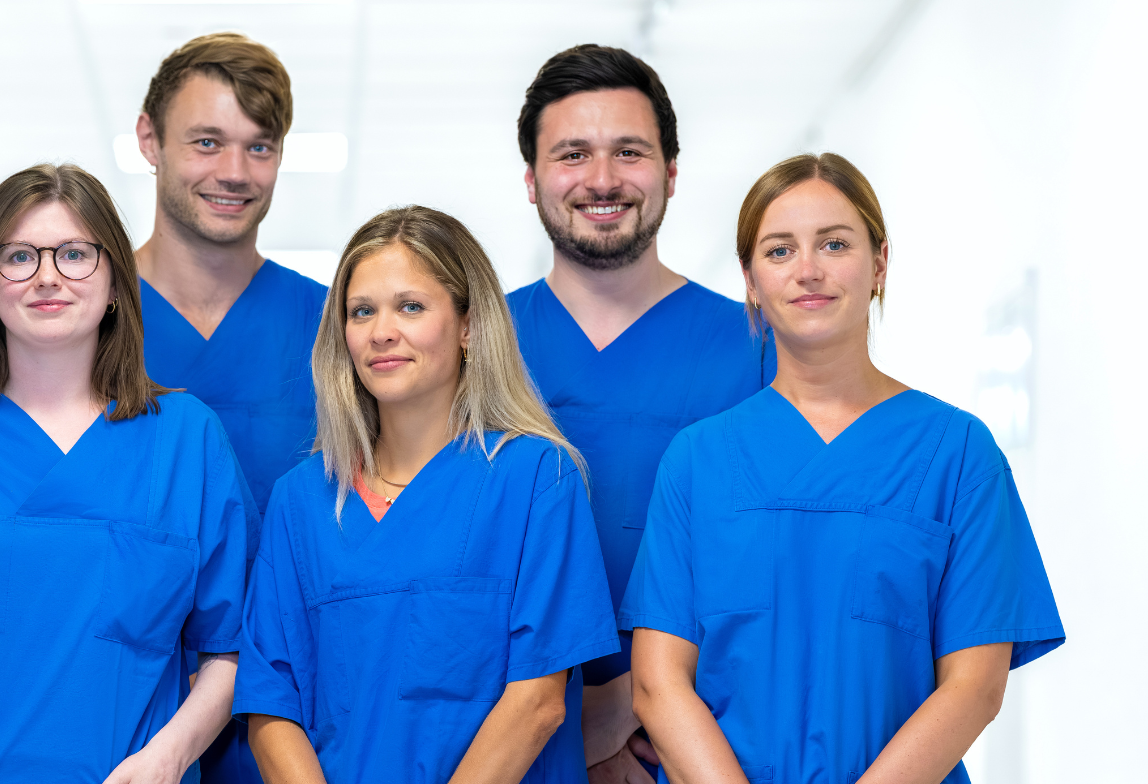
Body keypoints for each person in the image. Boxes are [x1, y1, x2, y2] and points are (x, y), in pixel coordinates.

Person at [622, 153, 1065, 783]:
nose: (808, 270)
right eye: (779, 251)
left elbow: (974, 685)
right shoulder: (696, 461)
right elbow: (659, 682)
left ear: (880, 263)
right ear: (750, 280)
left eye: (834, 244)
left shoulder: (958, 452)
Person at [0, 163, 252, 784]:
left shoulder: (187, 441)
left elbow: (229, 650)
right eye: (19, 256)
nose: (48, 276)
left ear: (116, 282)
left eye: (76, 254)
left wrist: (169, 758)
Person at [238, 206, 619, 784]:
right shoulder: (301, 500)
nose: (381, 332)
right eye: (362, 311)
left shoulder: (537, 477)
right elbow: (271, 703)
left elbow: (538, 702)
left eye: (410, 306)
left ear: (468, 326)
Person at [504, 44, 772, 783]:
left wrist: (634, 708)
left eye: (629, 152)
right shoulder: (474, 349)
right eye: (572, 154)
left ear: (671, 173)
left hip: (700, 747)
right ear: (531, 179)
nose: (602, 179)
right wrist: (570, 732)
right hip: (515, 746)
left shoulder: (755, 350)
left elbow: (778, 564)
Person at [132, 32, 328, 784]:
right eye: (207, 141)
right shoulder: (81, 320)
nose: (235, 173)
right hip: (129, 699)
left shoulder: (336, 331)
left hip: (298, 709)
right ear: (149, 140)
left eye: (259, 147)